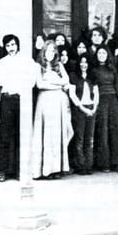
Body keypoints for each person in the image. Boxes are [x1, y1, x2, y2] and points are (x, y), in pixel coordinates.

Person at [0, 34, 37, 182]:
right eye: (8, 46)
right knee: (5, 135)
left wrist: (23, 88)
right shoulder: (2, 62)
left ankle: (21, 171)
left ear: (17, 45)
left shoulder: (26, 61)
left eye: (13, 45)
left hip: (21, 99)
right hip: (7, 99)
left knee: (21, 135)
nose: (11, 48)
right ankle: (2, 171)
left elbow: (32, 78)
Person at [32, 40, 73, 179]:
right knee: (45, 134)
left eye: (53, 51)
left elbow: (66, 80)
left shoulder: (59, 65)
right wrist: (56, 85)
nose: (50, 54)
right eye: (48, 51)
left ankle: (56, 169)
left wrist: (52, 82)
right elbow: (39, 84)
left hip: (58, 103)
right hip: (44, 102)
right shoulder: (38, 66)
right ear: (43, 52)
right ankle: (45, 169)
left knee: (56, 134)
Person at [92, 45, 118, 172]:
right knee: (103, 131)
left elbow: (117, 85)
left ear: (107, 55)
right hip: (101, 99)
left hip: (113, 99)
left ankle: (117, 162)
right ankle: (104, 163)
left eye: (104, 53)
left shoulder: (112, 69)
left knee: (115, 130)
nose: (101, 55)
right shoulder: (94, 70)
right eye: (99, 53)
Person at [68, 53, 99, 175]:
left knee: (89, 138)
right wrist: (83, 108)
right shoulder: (73, 76)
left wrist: (94, 107)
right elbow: (72, 95)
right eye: (81, 62)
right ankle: (80, 166)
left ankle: (89, 165)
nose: (83, 64)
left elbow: (96, 93)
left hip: (92, 108)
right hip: (80, 110)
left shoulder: (92, 76)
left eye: (86, 62)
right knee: (80, 138)